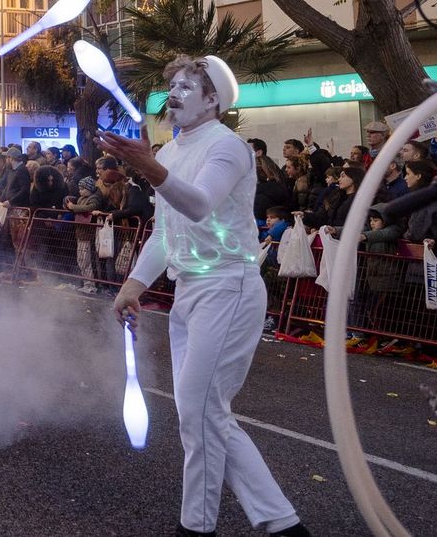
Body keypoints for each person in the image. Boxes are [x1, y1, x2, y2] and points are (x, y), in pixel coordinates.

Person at [103, 55, 309, 537]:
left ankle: (195, 527)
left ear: (213, 98)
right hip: (190, 289)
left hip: (229, 287)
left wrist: (148, 168)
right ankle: (282, 524)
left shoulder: (229, 147)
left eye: (185, 86)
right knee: (204, 413)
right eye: (170, 85)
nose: (172, 93)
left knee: (198, 413)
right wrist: (134, 284)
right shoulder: (172, 153)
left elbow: (196, 206)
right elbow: (166, 231)